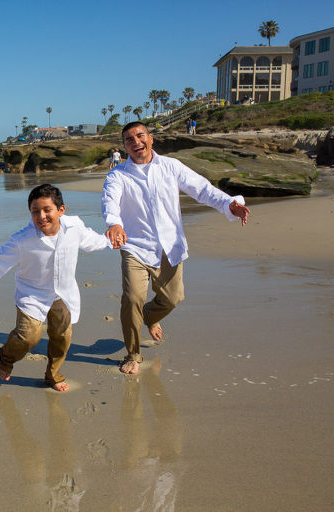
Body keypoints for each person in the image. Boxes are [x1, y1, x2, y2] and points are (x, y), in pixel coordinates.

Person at [102, 122, 250, 375]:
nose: (135, 142)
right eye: (129, 139)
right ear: (124, 146)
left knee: (172, 298)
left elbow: (202, 189)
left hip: (170, 244)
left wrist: (230, 204)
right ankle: (133, 354)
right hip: (135, 246)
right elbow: (110, 200)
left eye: (140, 136)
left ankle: (149, 317)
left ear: (150, 139)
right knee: (132, 299)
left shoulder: (171, 167)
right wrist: (114, 223)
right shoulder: (118, 175)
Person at [0, 184, 112, 391]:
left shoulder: (74, 227)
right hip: (32, 294)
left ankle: (53, 376)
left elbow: (91, 240)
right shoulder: (22, 240)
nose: (42, 216)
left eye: (47, 210)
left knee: (62, 337)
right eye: (35, 211)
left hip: (63, 293)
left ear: (61, 210)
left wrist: (110, 241)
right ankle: (5, 359)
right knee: (28, 336)